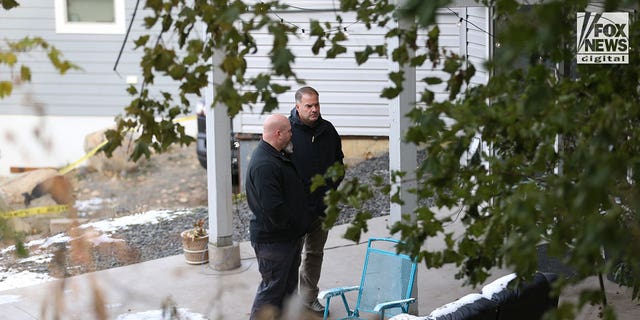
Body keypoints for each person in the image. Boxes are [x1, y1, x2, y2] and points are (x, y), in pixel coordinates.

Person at [246, 114, 312, 319]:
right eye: (289, 131)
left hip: (287, 237)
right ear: (278, 133)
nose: (292, 134)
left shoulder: (277, 155)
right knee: (271, 291)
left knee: (287, 290)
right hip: (274, 241)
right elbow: (273, 209)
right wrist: (296, 225)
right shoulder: (265, 164)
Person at [289, 86, 344, 315]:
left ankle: (308, 297)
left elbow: (338, 164)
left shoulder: (327, 130)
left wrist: (331, 189)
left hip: (322, 207)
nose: (314, 110)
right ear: (298, 106)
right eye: (309, 106)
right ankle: (287, 301)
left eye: (317, 105)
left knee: (314, 254)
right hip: (296, 209)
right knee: (290, 256)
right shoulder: (287, 130)